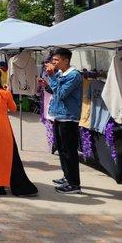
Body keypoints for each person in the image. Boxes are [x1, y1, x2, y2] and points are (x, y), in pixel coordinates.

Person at [39, 48, 83, 194]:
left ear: (66, 60)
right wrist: (47, 85)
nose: (53, 62)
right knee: (61, 149)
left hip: (68, 117)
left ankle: (74, 184)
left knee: (69, 151)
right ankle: (67, 176)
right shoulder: (60, 73)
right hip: (58, 115)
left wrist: (51, 77)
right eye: (53, 60)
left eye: (56, 60)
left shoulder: (74, 75)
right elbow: (55, 91)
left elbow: (63, 94)